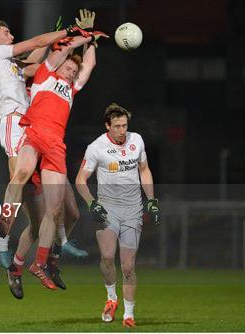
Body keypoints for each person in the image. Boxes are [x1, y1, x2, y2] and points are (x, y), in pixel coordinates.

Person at [0, 28, 108, 290]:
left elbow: (87, 65)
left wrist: (94, 42)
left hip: (55, 146)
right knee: (29, 199)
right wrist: (80, 35)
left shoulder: (72, 88)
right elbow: (59, 49)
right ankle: (5, 230)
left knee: (60, 212)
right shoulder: (45, 75)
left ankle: (44, 262)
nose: (70, 71)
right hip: (33, 137)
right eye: (67, 67)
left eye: (72, 70)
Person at [75, 103, 160, 328]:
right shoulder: (96, 147)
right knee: (106, 256)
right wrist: (92, 204)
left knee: (128, 267)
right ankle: (111, 297)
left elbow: (144, 170)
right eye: (117, 126)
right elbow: (80, 180)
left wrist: (151, 200)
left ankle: (129, 315)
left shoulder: (137, 140)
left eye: (125, 125)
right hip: (107, 209)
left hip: (133, 210)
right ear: (107, 126)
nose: (122, 131)